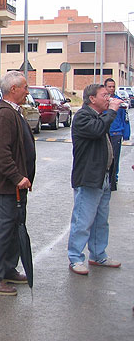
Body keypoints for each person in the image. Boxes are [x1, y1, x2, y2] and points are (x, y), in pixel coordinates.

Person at [0, 71, 35, 296]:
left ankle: (8, 269)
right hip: (6, 186)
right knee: (2, 229)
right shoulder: (4, 115)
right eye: (25, 87)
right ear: (14, 89)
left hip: (16, 187)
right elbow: (1, 153)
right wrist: (17, 177)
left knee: (13, 228)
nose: (27, 91)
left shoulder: (14, 112)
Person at [67, 83, 122, 275]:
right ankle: (75, 258)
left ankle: (98, 254)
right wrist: (112, 112)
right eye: (104, 95)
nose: (109, 98)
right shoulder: (83, 116)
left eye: (109, 95)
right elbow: (97, 130)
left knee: (101, 220)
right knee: (83, 220)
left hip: (103, 177)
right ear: (92, 98)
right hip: (88, 178)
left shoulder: (99, 116)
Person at [103, 78, 130, 191]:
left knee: (115, 157)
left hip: (116, 133)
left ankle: (113, 180)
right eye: (109, 86)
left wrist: (126, 133)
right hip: (104, 133)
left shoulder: (119, 102)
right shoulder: (103, 102)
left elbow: (125, 118)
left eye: (113, 86)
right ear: (105, 87)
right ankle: (104, 177)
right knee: (105, 156)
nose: (112, 89)